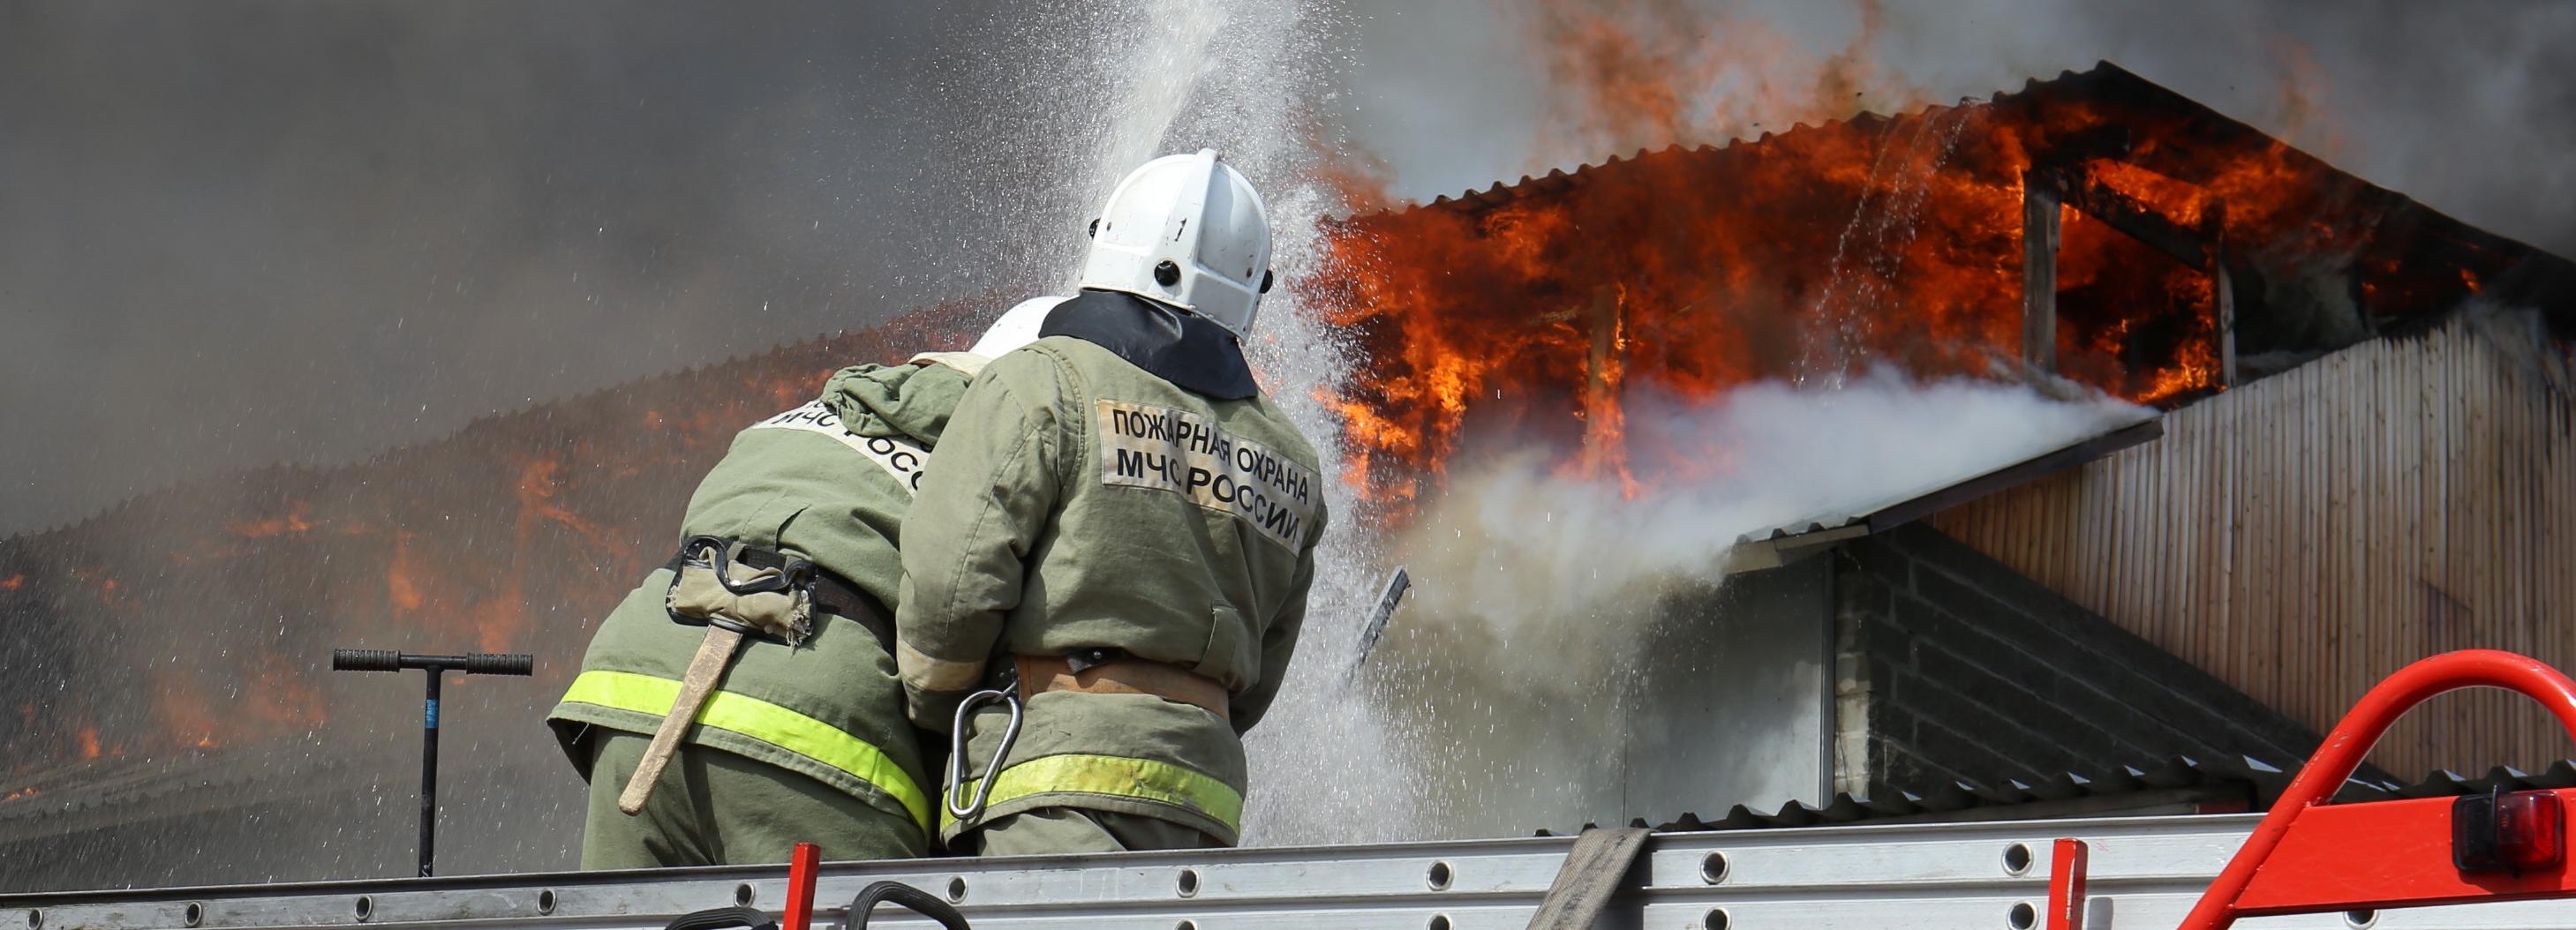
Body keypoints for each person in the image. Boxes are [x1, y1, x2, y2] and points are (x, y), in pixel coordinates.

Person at [894, 149, 1328, 855]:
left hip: (1048, 787)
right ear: (1252, 287)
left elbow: (951, 588)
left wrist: (942, 717)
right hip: (1201, 807)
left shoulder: (1039, 383)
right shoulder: (1293, 459)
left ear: (1108, 241)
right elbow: (1261, 671)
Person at [544, 303, 1056, 867]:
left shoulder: (808, 415)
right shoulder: (1016, 453)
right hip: (812, 723)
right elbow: (970, 627)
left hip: (634, 690)